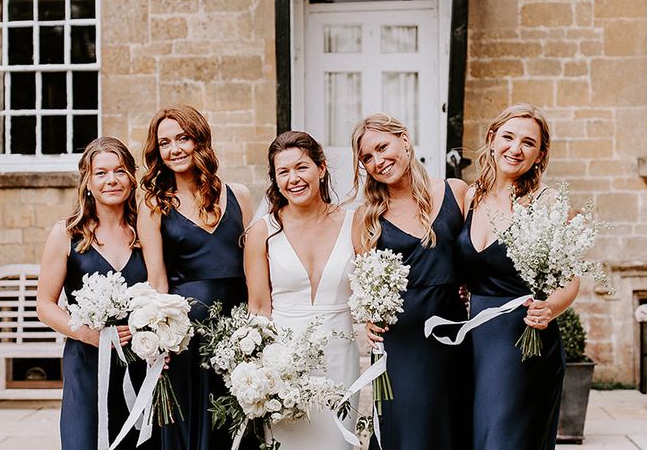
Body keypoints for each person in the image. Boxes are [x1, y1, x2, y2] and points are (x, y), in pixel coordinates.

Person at [456, 103, 579, 450]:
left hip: (523, 342)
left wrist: (550, 308)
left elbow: (570, 278)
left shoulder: (547, 202)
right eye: (508, 137)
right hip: (472, 342)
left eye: (528, 143)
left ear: (540, 154)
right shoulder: (470, 197)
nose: (515, 148)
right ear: (492, 140)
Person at [136, 105, 254, 450]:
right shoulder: (154, 204)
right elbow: (157, 281)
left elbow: (254, 271)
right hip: (186, 339)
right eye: (164, 143)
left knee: (234, 424)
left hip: (238, 334)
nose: (174, 149)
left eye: (182, 138)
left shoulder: (239, 195)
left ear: (199, 140)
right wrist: (159, 342)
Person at [352, 113, 471, 450]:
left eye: (381, 147)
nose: (377, 161)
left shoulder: (455, 191)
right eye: (367, 158)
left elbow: (475, 252)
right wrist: (368, 320)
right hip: (401, 342)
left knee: (452, 427)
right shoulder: (368, 216)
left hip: (453, 335)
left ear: (404, 139)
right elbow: (366, 285)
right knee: (409, 431)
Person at [244, 130, 360, 450]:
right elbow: (258, 309)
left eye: (301, 167)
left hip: (340, 358)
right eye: (283, 172)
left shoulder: (355, 223)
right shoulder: (262, 232)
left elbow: (369, 290)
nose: (293, 178)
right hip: (284, 362)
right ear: (275, 180)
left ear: (321, 168)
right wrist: (260, 375)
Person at [36, 136, 154, 450]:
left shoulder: (148, 232)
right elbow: (45, 304)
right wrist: (87, 334)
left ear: (131, 179)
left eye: (119, 171)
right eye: (100, 173)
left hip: (141, 363)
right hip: (86, 363)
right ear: (88, 182)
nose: (111, 180)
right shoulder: (66, 233)